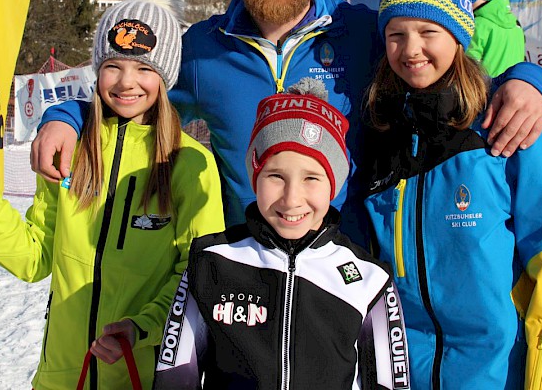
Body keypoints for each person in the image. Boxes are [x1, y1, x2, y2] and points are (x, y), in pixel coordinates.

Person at [30, 0, 542, 231]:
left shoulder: (368, 34)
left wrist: (530, 80)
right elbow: (131, 93)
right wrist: (69, 116)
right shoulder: (202, 52)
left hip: (348, 277)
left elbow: (456, 58)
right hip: (244, 283)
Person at [0, 0, 225, 390]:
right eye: (113, 66)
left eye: (144, 68)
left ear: (166, 77)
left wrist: (141, 328)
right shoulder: (68, 150)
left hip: (142, 374)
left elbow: (196, 273)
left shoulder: (189, 162)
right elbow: (34, 257)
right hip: (63, 376)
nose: (127, 82)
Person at [359, 0, 542, 389]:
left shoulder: (511, 130)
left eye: (430, 32)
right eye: (396, 34)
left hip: (496, 376)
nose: (411, 49)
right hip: (401, 376)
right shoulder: (378, 133)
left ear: (460, 35)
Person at [154, 78, 411, 389]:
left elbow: (389, 382)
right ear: (254, 177)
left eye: (311, 178)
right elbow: (176, 373)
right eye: (275, 176)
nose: (291, 199)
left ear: (335, 184)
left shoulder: (369, 279)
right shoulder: (210, 262)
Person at [466, 0, 526, 77]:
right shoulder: (516, 24)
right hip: (510, 85)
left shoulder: (479, 24)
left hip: (485, 88)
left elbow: (469, 64)